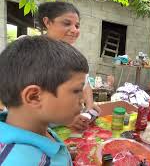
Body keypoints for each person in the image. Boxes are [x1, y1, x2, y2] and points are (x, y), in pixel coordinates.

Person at [0, 36, 89, 165]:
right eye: (76, 91)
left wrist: (62, 155)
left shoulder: (38, 127)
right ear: (34, 97)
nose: (82, 99)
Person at [37, 1, 99, 130]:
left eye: (77, 25)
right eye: (67, 24)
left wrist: (89, 106)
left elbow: (85, 83)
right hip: (42, 129)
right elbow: (28, 100)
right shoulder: (31, 52)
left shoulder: (72, 54)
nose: (74, 30)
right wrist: (65, 119)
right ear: (47, 22)